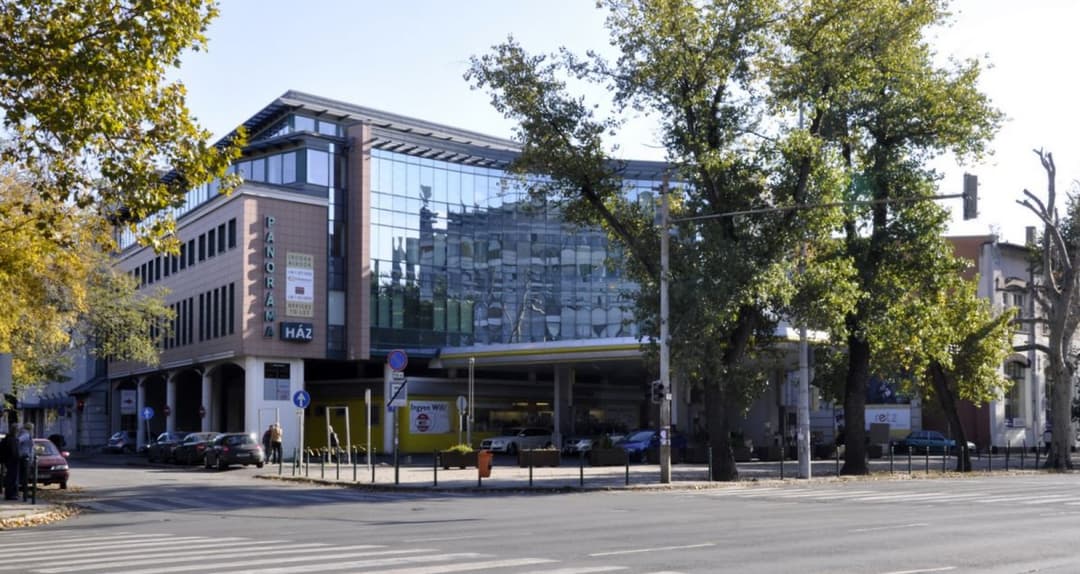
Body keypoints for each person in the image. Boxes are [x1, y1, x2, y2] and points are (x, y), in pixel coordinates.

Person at [1, 423, 19, 500]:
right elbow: (14, 451)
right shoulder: (12, 439)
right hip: (12, 460)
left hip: (8, 460)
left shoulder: (8, 438)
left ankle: (10, 494)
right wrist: (17, 457)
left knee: (10, 477)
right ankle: (11, 494)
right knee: (12, 477)